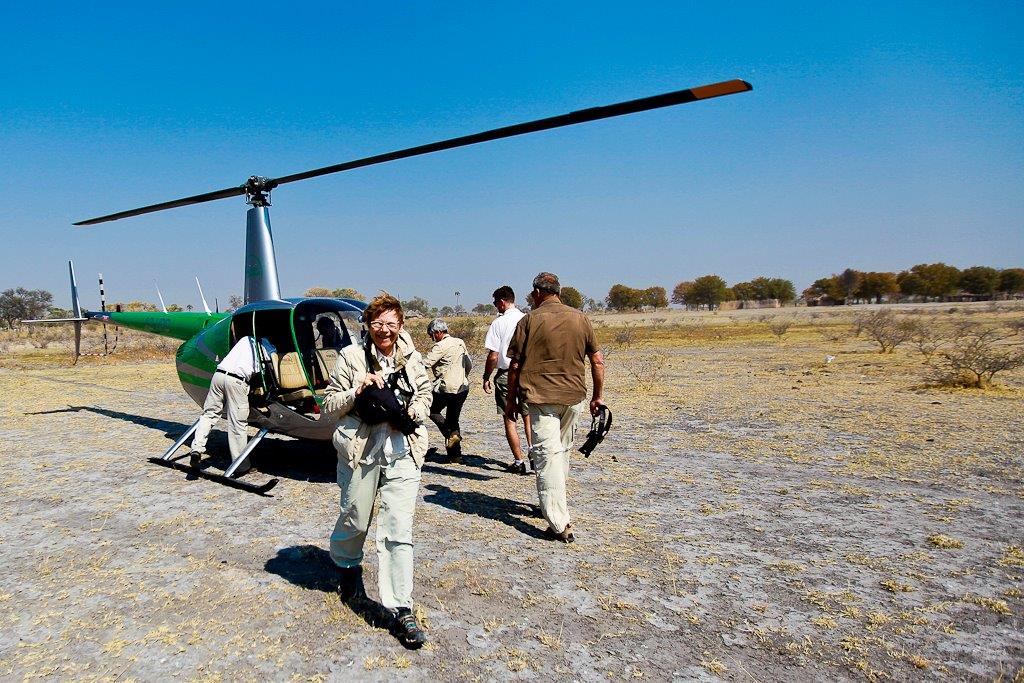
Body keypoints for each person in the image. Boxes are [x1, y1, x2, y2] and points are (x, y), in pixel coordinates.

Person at [322, 293, 432, 647]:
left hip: (403, 452)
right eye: (377, 323)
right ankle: (347, 565)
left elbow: (426, 394)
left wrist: (412, 414)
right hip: (362, 451)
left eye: (391, 323)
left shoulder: (413, 358)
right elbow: (330, 404)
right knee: (355, 517)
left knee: (398, 528)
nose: (384, 330)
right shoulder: (351, 357)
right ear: (368, 325)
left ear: (401, 325)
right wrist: (358, 390)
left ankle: (402, 609)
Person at [505, 272, 605, 544]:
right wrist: (597, 397)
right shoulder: (581, 319)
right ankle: (554, 507)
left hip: (540, 399)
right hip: (574, 398)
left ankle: (559, 522)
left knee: (547, 456)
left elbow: (514, 365)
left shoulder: (529, 320)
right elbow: (597, 361)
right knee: (561, 453)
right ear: (558, 292)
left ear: (537, 292)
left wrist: (511, 400)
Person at [188, 335, 274, 474]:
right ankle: (240, 466)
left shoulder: (245, 339)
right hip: (237, 381)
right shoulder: (265, 346)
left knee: (209, 414)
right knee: (237, 423)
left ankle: (197, 449)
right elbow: (268, 370)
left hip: (218, 376)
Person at [482, 285, 533, 474]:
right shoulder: (527, 319)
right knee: (528, 416)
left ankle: (519, 461)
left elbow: (493, 356)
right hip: (526, 373)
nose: (496, 307)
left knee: (510, 418)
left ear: (502, 302)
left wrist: (487, 376)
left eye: (496, 303)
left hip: (505, 374)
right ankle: (532, 451)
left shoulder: (499, 323)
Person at [423, 318, 471, 461]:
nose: (432, 339)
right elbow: (468, 364)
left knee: (430, 410)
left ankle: (450, 434)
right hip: (462, 387)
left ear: (437, 332)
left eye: (431, 335)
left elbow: (425, 364)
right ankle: (455, 456)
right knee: (453, 419)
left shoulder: (440, 346)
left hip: (445, 388)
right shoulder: (460, 342)